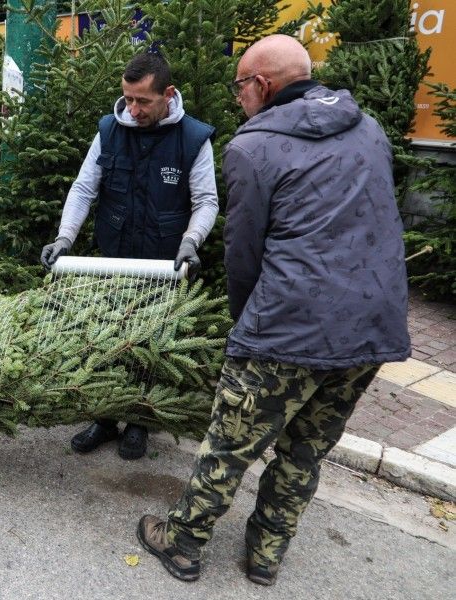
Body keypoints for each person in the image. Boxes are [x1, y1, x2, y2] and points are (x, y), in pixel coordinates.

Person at [136, 35, 411, 585]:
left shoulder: (252, 147)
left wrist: (249, 324)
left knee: (229, 445)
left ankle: (185, 543)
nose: (237, 97)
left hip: (288, 324)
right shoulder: (369, 128)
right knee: (306, 449)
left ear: (261, 85)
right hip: (373, 326)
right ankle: (265, 555)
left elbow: (243, 252)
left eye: (240, 86)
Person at [40, 51, 218, 460]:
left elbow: (206, 200)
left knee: (151, 345)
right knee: (106, 339)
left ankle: (139, 421)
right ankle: (104, 418)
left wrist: (191, 241)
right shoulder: (108, 130)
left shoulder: (193, 138)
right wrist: (65, 237)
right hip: (114, 259)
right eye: (128, 99)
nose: (132, 109)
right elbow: (84, 189)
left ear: (167, 94)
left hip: (163, 266)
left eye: (143, 101)